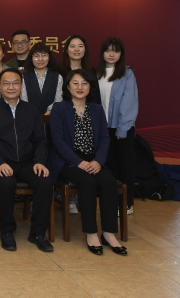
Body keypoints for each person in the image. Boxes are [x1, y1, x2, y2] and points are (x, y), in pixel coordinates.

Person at [48, 69, 127, 256]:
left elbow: (104, 138)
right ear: (68, 87)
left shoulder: (97, 109)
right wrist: (78, 162)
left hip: (93, 158)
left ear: (90, 87)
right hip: (67, 160)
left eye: (84, 83)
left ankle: (108, 233)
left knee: (108, 182)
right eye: (75, 83)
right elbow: (57, 140)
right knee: (88, 182)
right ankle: (91, 233)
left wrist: (98, 160)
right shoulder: (59, 108)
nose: (80, 87)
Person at [0, 68, 53, 252]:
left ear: (21, 85)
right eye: (6, 83)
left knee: (44, 181)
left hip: (28, 162)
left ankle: (38, 233)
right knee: (6, 182)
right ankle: (7, 231)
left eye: (15, 83)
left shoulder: (31, 110)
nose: (11, 87)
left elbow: (40, 141)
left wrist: (39, 161)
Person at [97, 37, 138, 214]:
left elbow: (129, 103)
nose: (111, 54)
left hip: (121, 129)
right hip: (102, 128)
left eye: (116, 50)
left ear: (121, 53)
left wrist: (122, 128)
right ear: (102, 53)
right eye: (108, 50)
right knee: (109, 166)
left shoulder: (127, 73)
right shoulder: (96, 73)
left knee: (125, 167)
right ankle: (112, 203)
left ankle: (127, 204)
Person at [20, 42, 63, 116]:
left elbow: (58, 100)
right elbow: (24, 100)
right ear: (31, 58)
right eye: (36, 55)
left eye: (44, 55)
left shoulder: (57, 77)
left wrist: (49, 112)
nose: (40, 59)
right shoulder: (24, 77)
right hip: (30, 116)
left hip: (52, 116)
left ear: (49, 57)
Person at [57, 35, 100, 104]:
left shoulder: (92, 71)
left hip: (87, 108)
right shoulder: (57, 71)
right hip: (63, 109)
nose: (76, 49)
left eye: (80, 46)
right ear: (67, 50)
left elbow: (95, 96)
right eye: (73, 46)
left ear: (85, 50)